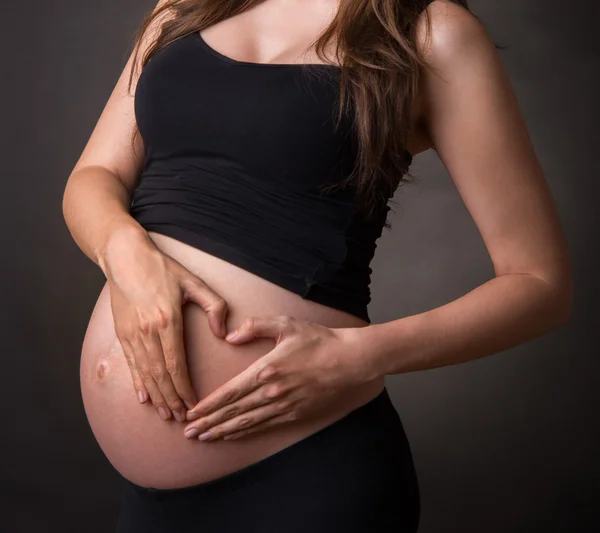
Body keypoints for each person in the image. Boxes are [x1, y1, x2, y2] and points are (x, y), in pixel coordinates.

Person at [62, 0, 572, 531]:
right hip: (151, 505)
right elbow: (95, 174)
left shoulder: (429, 33)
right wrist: (126, 255)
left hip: (306, 478)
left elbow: (540, 283)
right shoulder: (185, 7)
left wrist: (360, 356)